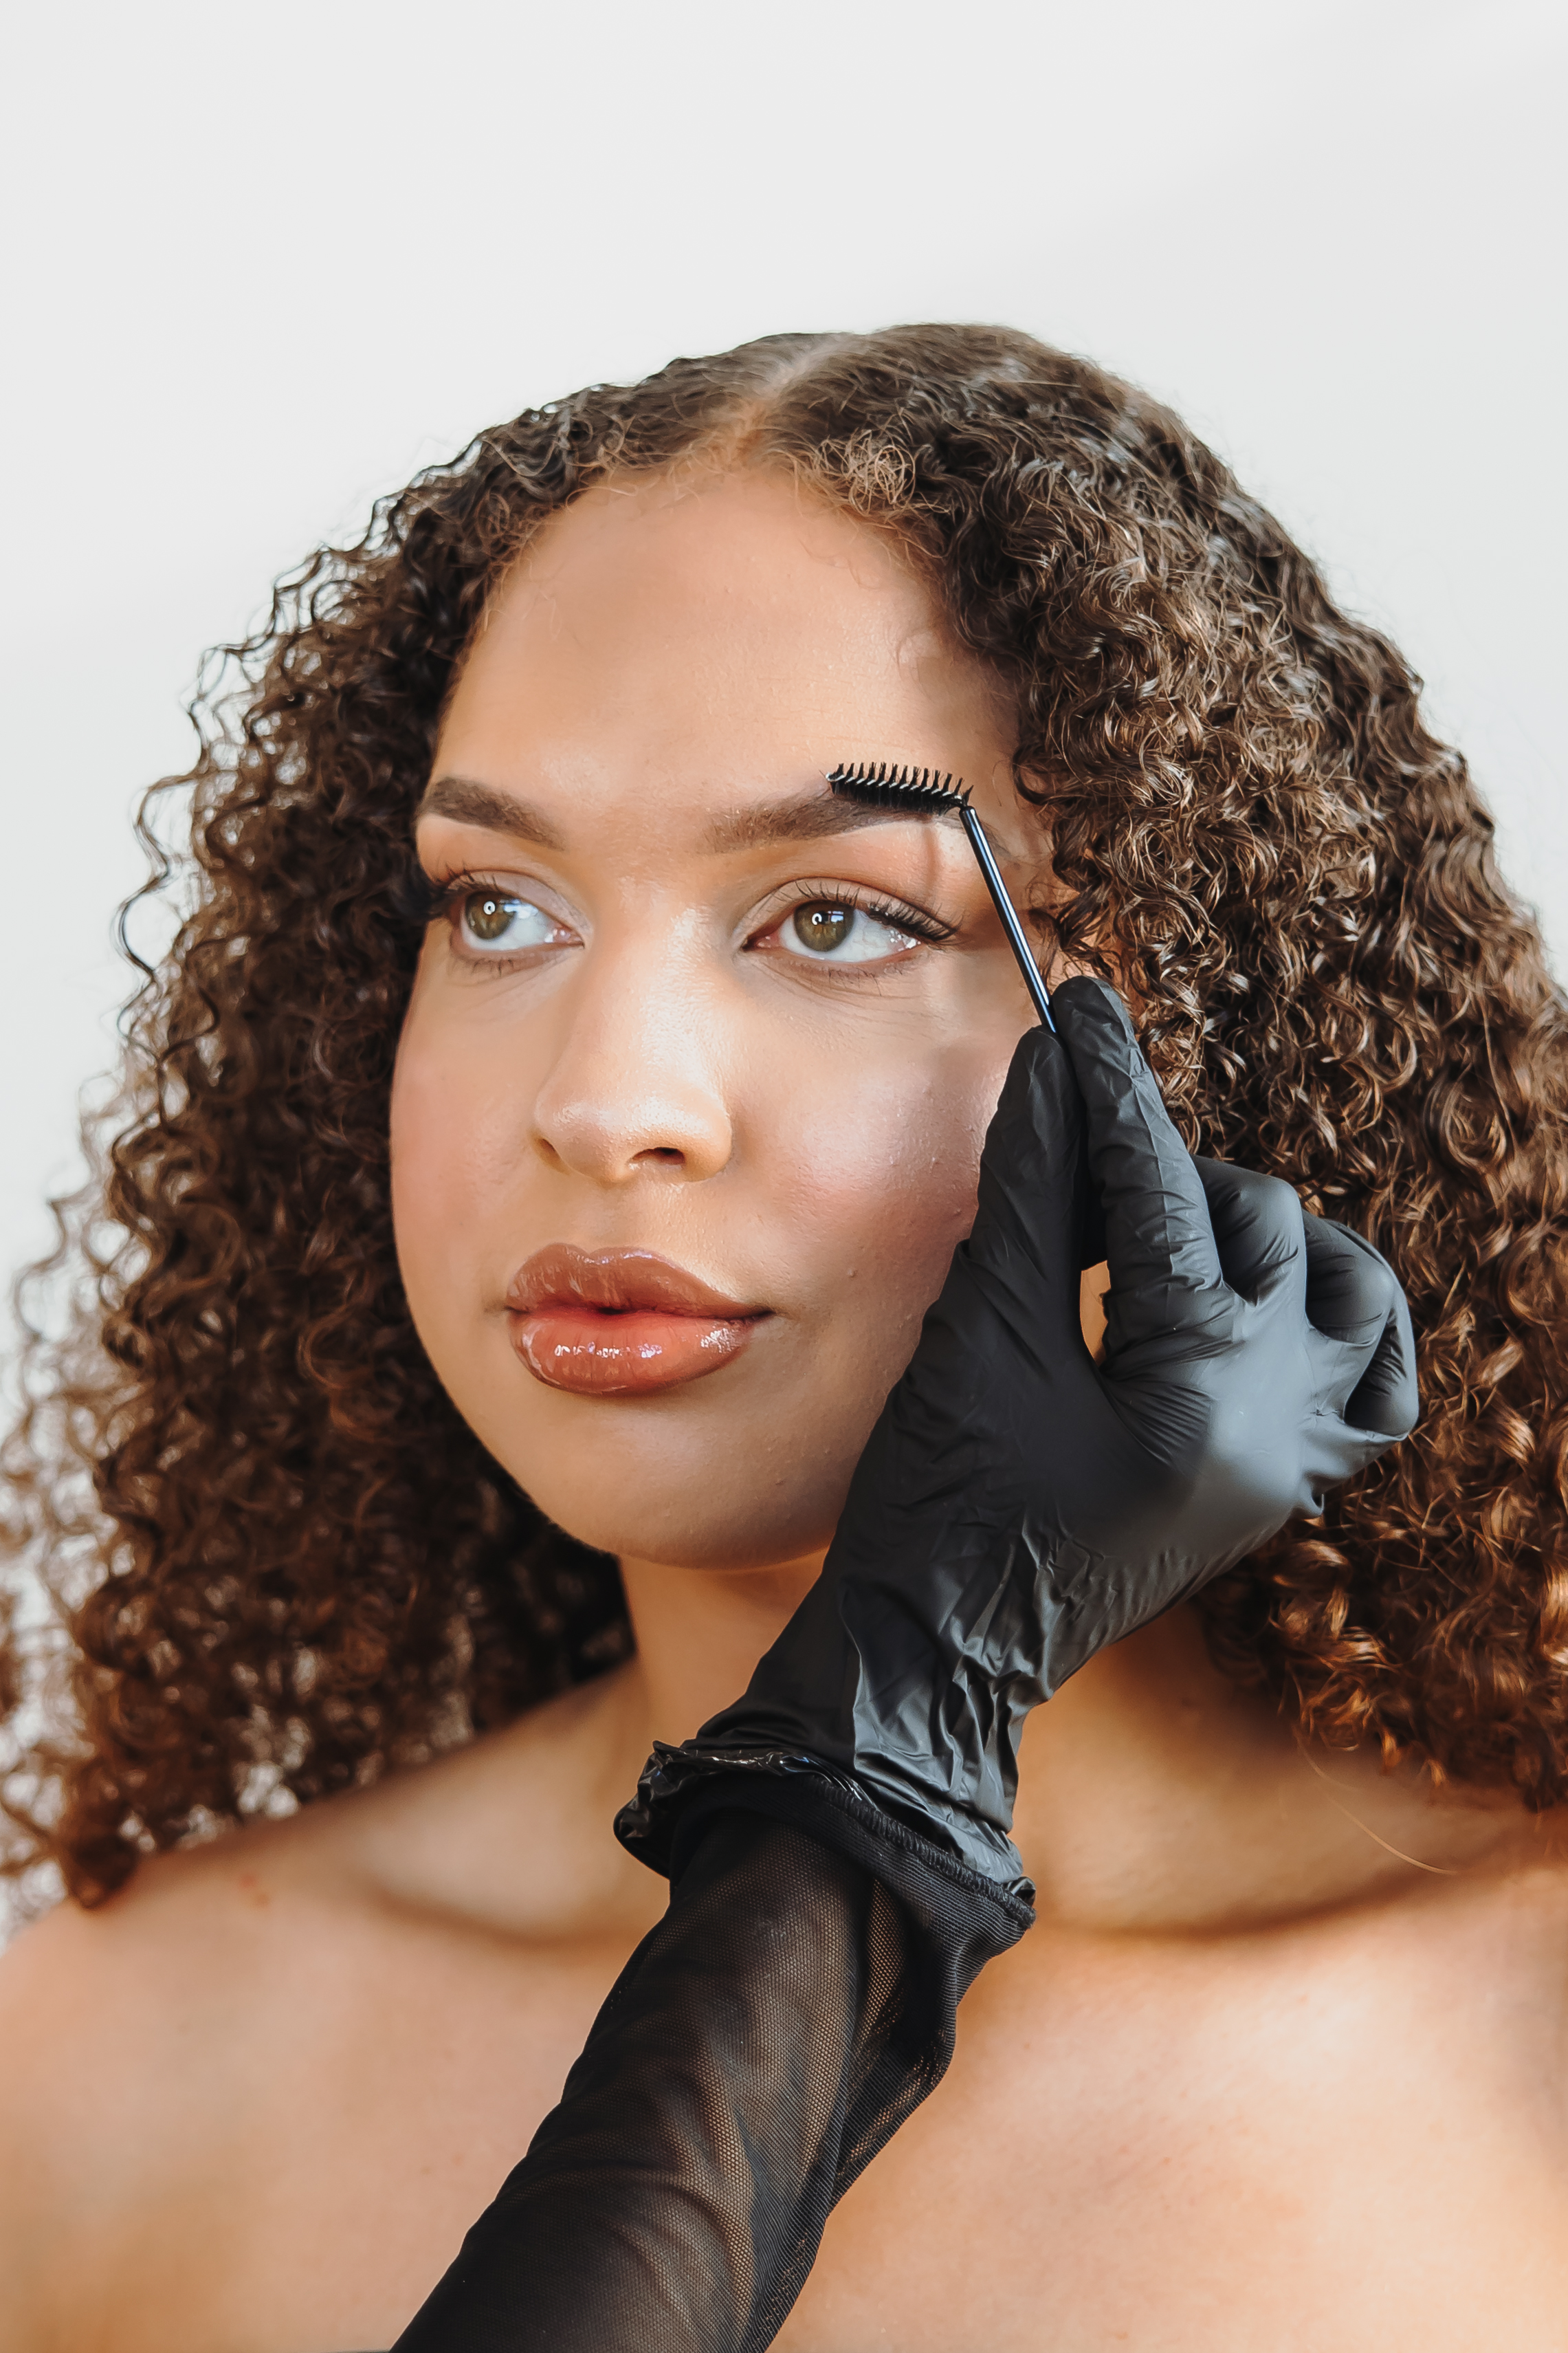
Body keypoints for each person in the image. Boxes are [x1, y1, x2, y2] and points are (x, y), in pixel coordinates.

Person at [0, 325, 1563, 2352]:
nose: (604, 1103)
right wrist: (893, 1731)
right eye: (497, 909)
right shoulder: (109, 2072)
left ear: (1200, 1050)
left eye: (834, 919)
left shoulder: (1528, 2051)